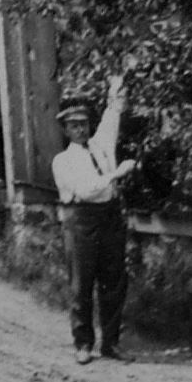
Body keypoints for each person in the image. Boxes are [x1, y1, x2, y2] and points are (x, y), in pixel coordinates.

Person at [52, 74, 139, 365]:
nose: (80, 129)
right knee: (82, 282)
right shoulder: (63, 161)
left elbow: (113, 113)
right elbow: (88, 190)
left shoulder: (101, 144)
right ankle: (83, 343)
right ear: (65, 130)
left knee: (114, 280)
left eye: (84, 124)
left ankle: (111, 343)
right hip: (82, 220)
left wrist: (116, 86)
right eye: (74, 125)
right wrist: (118, 173)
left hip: (109, 216)